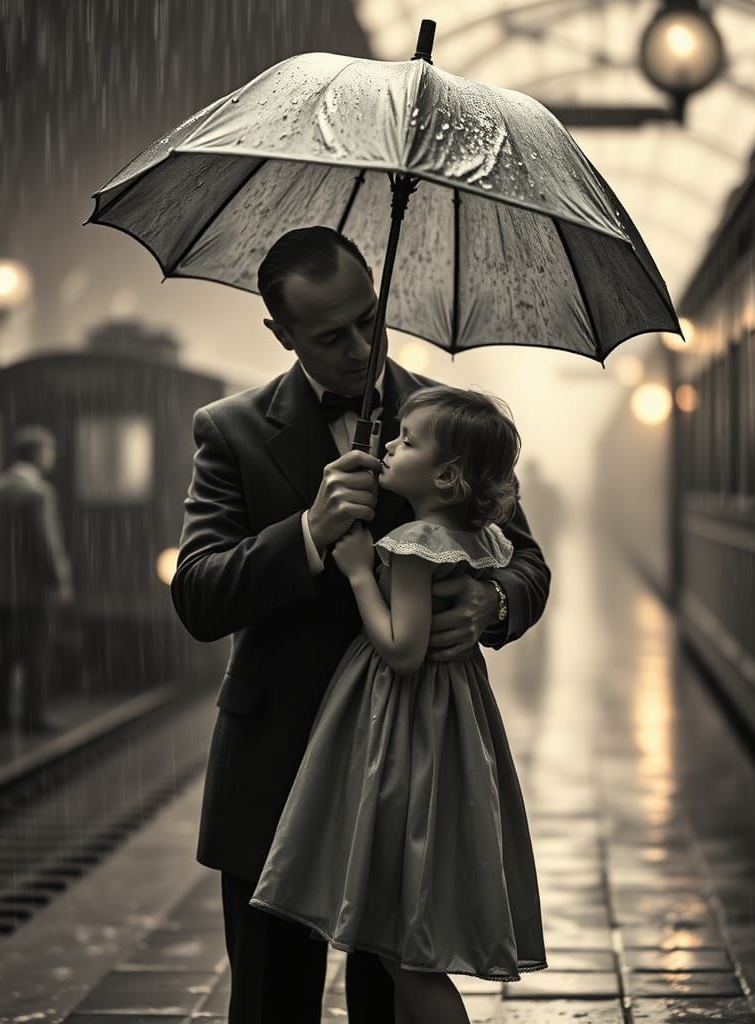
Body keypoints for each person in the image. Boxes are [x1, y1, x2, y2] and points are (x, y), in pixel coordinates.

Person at [171, 225, 551, 1024]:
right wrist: (306, 535)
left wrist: (494, 602)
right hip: (278, 765)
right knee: (274, 1003)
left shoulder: (444, 418)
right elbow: (199, 595)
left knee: (396, 999)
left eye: (369, 320)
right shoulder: (230, 430)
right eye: (330, 335)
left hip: (409, 773)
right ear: (281, 335)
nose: (360, 347)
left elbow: (525, 559)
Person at [250, 385, 548, 1023]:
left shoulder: (412, 544)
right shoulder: (476, 532)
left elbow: (403, 650)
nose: (390, 444)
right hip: (448, 726)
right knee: (407, 940)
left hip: (399, 731)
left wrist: (360, 569)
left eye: (406, 442)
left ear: (446, 475)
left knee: (402, 950)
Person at [0, 424, 73, 734]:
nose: (53, 458)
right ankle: (33, 715)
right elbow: (45, 545)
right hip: (33, 592)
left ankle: (0, 714)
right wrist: (59, 579)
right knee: (36, 654)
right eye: (49, 452)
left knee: (5, 652)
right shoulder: (38, 494)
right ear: (37, 454)